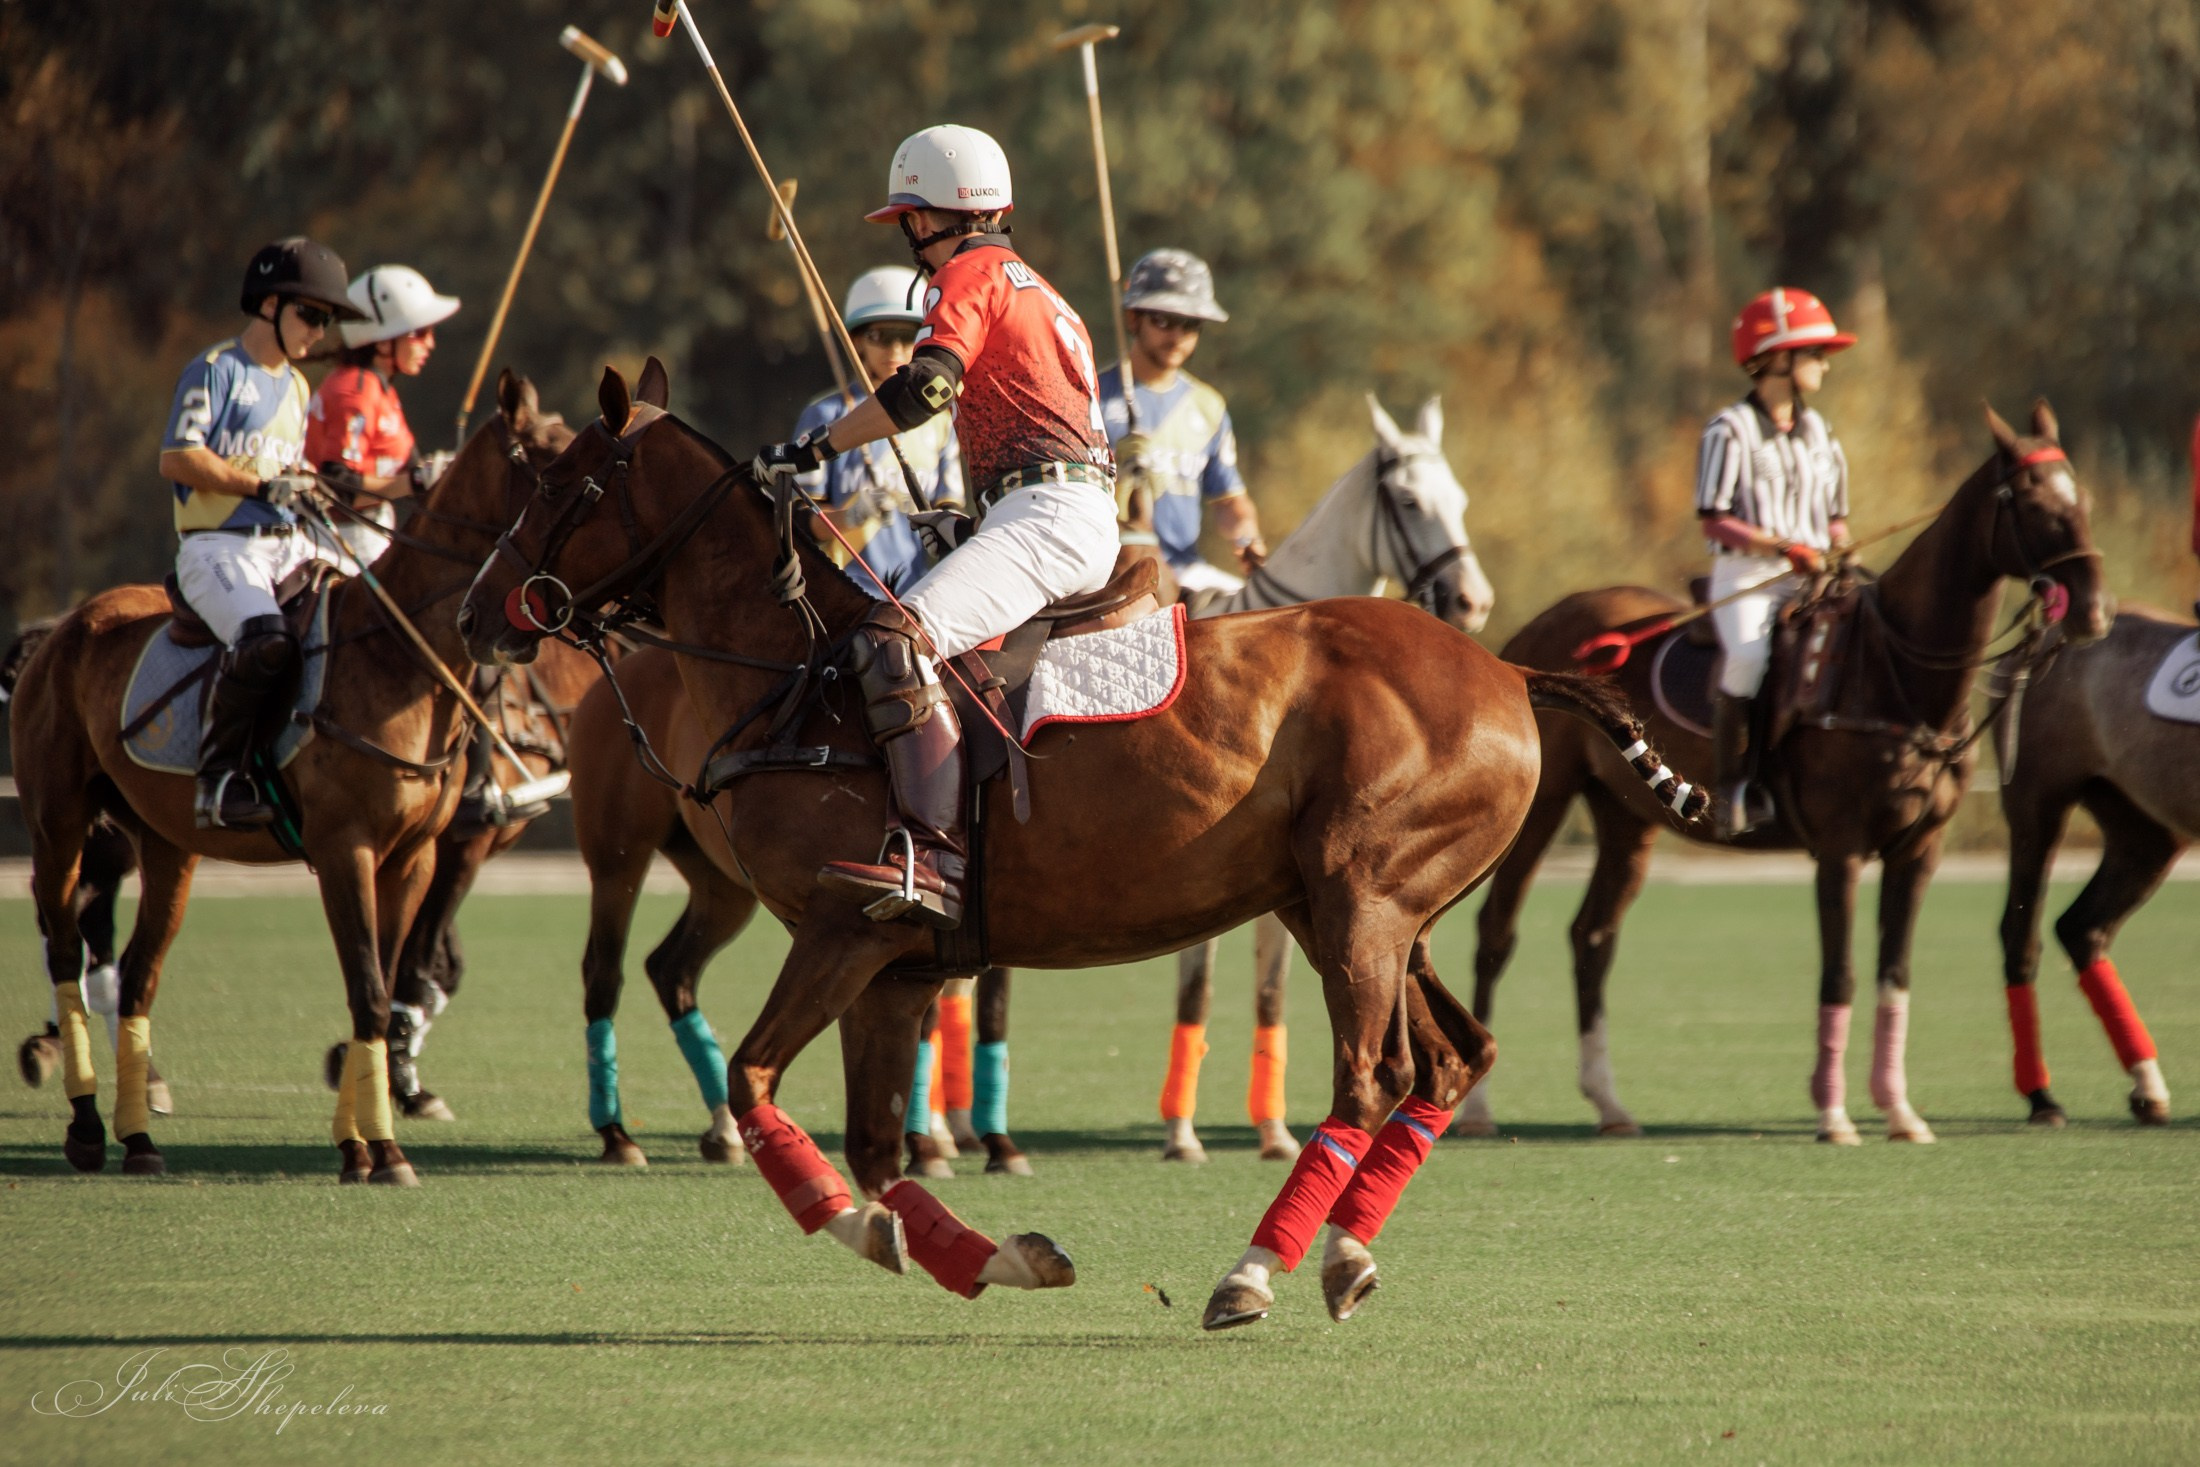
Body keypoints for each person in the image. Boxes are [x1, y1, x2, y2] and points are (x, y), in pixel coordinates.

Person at [752, 124, 1119, 929]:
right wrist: (975, 523)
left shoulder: (970, 273)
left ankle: (933, 858)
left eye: (909, 219)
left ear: (930, 216)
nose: (910, 235)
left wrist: (817, 446)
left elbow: (925, 387)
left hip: (1048, 517)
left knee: (893, 639)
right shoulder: (1041, 288)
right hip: (1064, 509)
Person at [160, 237, 367, 829]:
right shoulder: (215, 369)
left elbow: (285, 468)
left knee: (372, 614)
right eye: (311, 315)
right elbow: (177, 458)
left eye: (326, 321)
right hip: (218, 546)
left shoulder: (297, 386)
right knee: (265, 640)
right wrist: (259, 487)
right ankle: (218, 779)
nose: (319, 332)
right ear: (270, 304)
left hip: (287, 543)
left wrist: (307, 487)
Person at [1695, 287, 1855, 838]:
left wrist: (1841, 546)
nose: (1824, 365)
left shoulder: (1820, 432)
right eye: (1815, 354)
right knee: (1747, 658)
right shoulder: (1729, 429)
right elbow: (1713, 518)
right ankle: (1731, 790)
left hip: (1816, 580)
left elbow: (1835, 517)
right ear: (1778, 358)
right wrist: (1783, 548)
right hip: (1751, 577)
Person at [1098, 249, 1266, 598]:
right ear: (1133, 318)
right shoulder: (1093, 397)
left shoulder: (1208, 406)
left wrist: (1246, 536)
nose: (1177, 336)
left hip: (1186, 571)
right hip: (1110, 569)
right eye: (1163, 321)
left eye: (1190, 325)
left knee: (1266, 612)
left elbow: (1229, 501)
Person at [791, 265, 965, 595]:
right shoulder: (825, 415)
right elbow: (799, 523)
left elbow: (951, 509)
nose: (895, 349)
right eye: (881, 337)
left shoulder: (941, 419)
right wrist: (851, 515)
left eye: (907, 336)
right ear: (856, 341)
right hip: (842, 595)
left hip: (915, 595)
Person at [304, 265, 461, 567]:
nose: (430, 343)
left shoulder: (379, 389)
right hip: (341, 541)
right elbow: (338, 487)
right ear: (382, 341)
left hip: (373, 532)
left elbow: (412, 471)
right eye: (419, 333)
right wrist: (416, 481)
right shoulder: (355, 392)